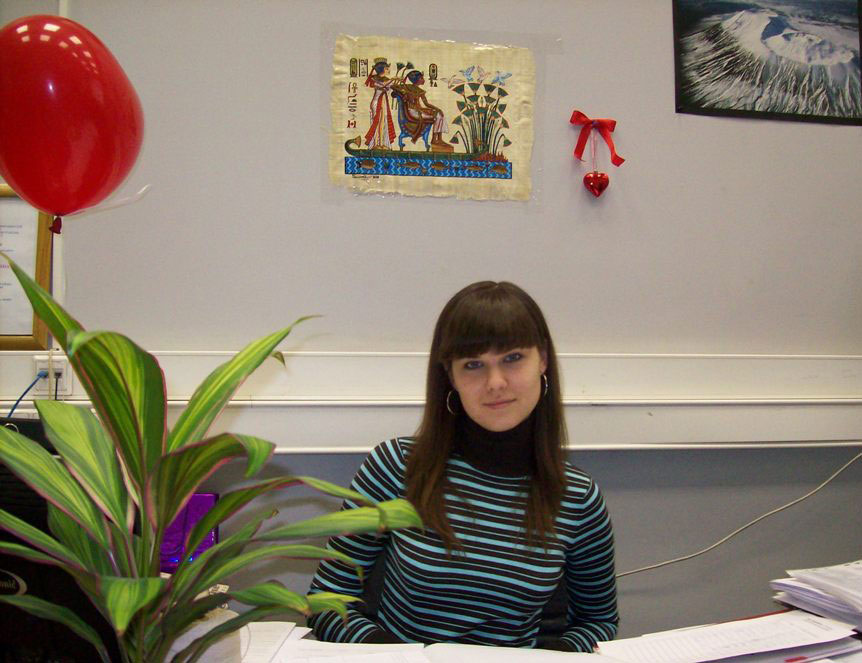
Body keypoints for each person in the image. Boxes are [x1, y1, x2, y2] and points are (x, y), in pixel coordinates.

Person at [308, 281, 618, 651]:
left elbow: (598, 623)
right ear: (450, 376)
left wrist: (556, 657)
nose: (495, 383)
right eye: (473, 365)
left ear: (543, 361)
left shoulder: (577, 497)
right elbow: (327, 600)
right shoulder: (396, 466)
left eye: (513, 358)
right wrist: (392, 655)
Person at [393, 70, 453, 152]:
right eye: (421, 78)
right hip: (411, 112)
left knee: (439, 114)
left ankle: (438, 139)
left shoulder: (420, 91)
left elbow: (426, 104)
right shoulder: (406, 87)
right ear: (416, 79)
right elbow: (393, 87)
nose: (423, 79)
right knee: (436, 117)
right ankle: (434, 139)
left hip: (419, 110)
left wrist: (437, 109)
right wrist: (404, 92)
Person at [364, 58, 397, 150]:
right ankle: (375, 144)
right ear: (381, 69)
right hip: (376, 102)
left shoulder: (387, 79)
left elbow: (391, 87)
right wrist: (393, 80)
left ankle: (382, 143)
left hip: (384, 102)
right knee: (376, 122)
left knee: (383, 122)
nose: (388, 70)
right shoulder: (374, 79)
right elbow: (382, 85)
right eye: (387, 68)